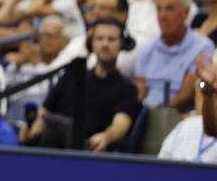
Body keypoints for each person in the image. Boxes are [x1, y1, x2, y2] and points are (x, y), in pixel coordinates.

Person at [22, 18, 140, 152]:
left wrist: (106, 137)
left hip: (87, 150)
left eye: (111, 39)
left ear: (122, 44)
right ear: (91, 43)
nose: (105, 44)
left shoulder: (126, 88)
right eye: (99, 39)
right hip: (51, 145)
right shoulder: (72, 74)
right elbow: (46, 109)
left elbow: (121, 124)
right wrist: (33, 127)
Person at [136, 0, 214, 111]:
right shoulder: (146, 50)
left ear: (186, 12)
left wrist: (152, 112)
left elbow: (184, 98)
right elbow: (140, 93)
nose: (163, 16)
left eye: (169, 9)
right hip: (145, 115)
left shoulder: (203, 48)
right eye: (159, 9)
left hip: (178, 116)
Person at [159, 56, 217, 164]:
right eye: (214, 81)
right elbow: (160, 167)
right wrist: (207, 89)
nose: (216, 87)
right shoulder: (186, 125)